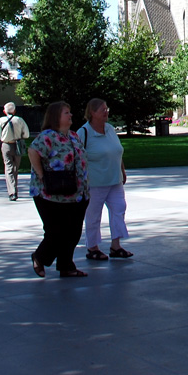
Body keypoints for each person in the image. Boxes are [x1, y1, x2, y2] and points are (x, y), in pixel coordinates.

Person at [27, 101, 89, 278]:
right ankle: (40, 257)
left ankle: (66, 266)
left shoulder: (74, 136)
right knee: (56, 231)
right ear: (56, 117)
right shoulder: (48, 136)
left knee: (73, 231)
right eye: (66, 113)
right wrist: (41, 175)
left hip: (77, 193)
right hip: (50, 194)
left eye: (70, 112)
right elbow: (32, 151)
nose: (70, 115)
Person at [77, 98, 132, 261]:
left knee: (119, 209)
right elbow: (77, 157)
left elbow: (116, 151)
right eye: (103, 109)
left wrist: (122, 170)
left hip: (115, 180)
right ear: (92, 113)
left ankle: (116, 245)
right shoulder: (84, 132)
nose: (106, 112)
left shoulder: (109, 129)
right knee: (93, 215)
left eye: (107, 109)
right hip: (94, 183)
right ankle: (92, 247)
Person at [0, 102, 30, 201]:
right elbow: (26, 134)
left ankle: (12, 192)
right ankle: (14, 189)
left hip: (6, 145)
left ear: (4, 111)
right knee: (15, 168)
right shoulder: (19, 120)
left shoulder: (1, 120)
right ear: (14, 111)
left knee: (8, 167)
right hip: (18, 145)